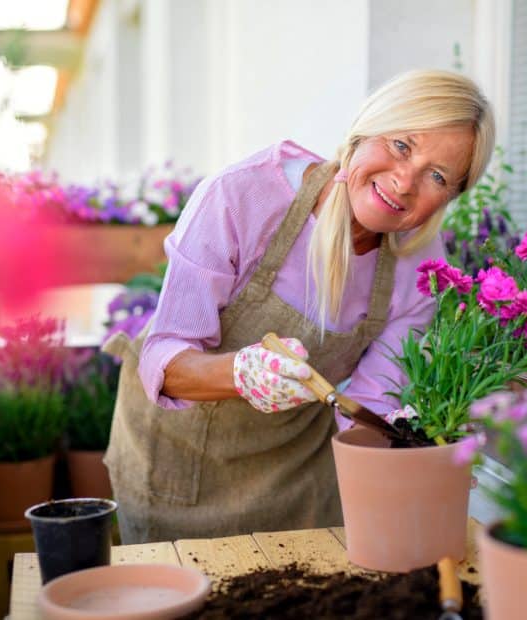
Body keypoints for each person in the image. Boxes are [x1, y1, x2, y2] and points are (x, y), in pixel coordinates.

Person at [102, 69, 495, 544]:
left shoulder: (421, 269)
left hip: (295, 473)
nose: (405, 181)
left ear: (451, 197)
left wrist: (421, 463)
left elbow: (368, 408)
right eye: (401, 146)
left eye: (437, 176)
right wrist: (243, 373)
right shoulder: (244, 195)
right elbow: (165, 358)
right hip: (180, 464)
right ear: (365, 129)